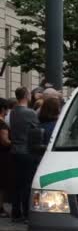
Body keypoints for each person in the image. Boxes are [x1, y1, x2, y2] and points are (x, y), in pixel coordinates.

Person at [9, 87, 39, 222]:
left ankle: (15, 212)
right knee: (27, 183)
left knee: (16, 183)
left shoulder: (13, 112)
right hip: (26, 150)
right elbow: (37, 128)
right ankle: (27, 212)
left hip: (14, 150)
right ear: (27, 96)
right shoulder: (30, 113)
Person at [0, 98, 13, 218]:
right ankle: (1, 208)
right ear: (3, 109)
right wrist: (13, 143)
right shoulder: (2, 123)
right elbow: (4, 141)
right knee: (2, 184)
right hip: (2, 156)